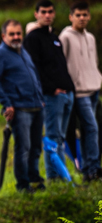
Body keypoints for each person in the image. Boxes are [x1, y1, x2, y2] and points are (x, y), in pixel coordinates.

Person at [0, 20, 47, 193]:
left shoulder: (23, 52)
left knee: (36, 147)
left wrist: (40, 98)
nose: (16, 37)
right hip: (19, 109)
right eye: (11, 34)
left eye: (18, 33)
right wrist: (6, 102)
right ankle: (23, 184)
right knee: (23, 147)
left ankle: (35, 179)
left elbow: (34, 76)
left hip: (36, 106)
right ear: (3, 36)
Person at [25, 1, 77, 181]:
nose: (47, 15)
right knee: (53, 139)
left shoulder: (54, 37)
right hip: (51, 96)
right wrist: (51, 89)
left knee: (60, 139)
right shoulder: (32, 39)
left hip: (67, 94)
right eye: (43, 12)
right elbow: (34, 69)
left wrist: (70, 88)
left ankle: (61, 177)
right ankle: (56, 179)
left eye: (50, 12)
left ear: (54, 14)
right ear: (36, 14)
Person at [60, 1, 102, 182]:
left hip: (94, 89)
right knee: (92, 127)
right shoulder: (65, 36)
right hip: (78, 92)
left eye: (85, 15)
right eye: (78, 15)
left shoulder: (90, 37)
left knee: (87, 130)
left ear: (89, 16)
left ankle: (87, 169)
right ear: (71, 17)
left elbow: (94, 62)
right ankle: (93, 167)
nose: (82, 18)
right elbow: (61, 63)